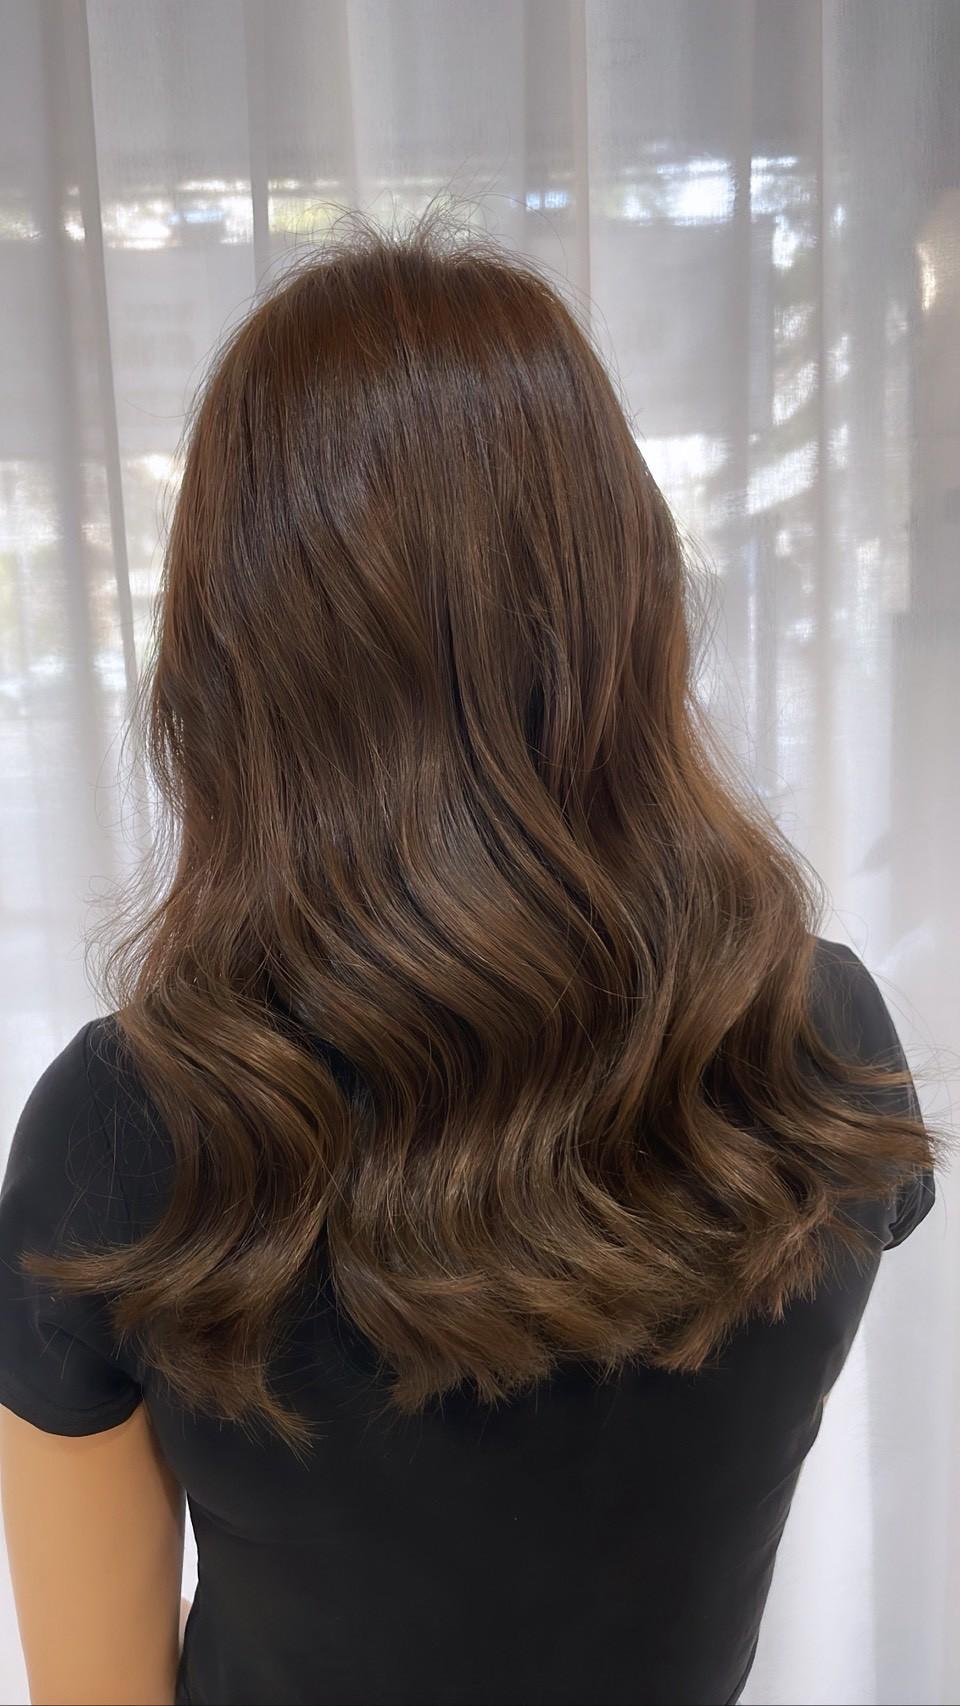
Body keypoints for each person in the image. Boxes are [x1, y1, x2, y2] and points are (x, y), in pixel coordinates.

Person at [0, 208, 942, 1706]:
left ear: (231, 656)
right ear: (625, 595)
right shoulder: (815, 1038)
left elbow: (95, 1691)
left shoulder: (130, 1134)